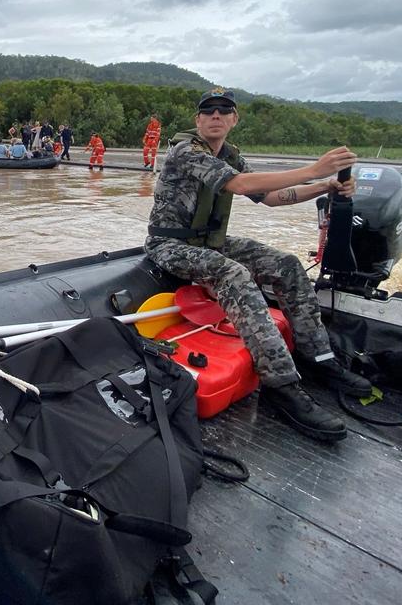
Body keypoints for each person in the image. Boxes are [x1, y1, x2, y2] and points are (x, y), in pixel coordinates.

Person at [144, 88, 372, 442]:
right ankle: (281, 384)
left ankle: (319, 358)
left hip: (209, 242)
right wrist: (313, 169)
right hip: (170, 245)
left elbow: (271, 197)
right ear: (197, 120)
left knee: (286, 264)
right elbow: (240, 184)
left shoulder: (231, 154)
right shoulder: (186, 150)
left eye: (224, 110)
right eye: (208, 111)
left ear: (235, 119)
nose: (215, 116)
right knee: (232, 273)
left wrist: (325, 185)